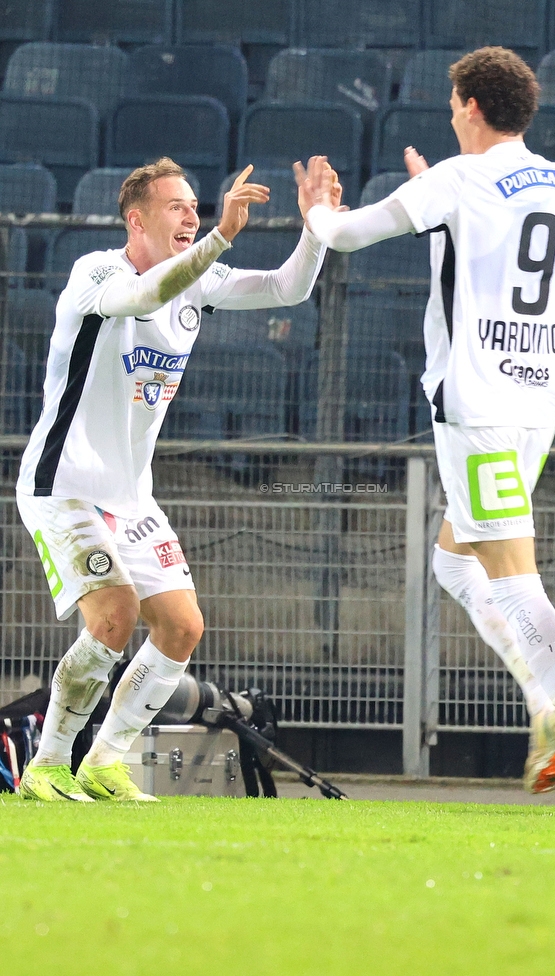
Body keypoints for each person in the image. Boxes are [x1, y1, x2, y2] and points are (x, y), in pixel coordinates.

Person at [296, 46, 555, 814]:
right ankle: (546, 706)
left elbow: (346, 236)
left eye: (455, 105)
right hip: (536, 398)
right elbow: (491, 251)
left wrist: (316, 208)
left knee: (515, 582)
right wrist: (437, 204)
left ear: (472, 107)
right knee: (456, 564)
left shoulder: (459, 179)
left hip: (477, 407)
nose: (452, 115)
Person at [17, 156, 338, 802]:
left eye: (195, 205)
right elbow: (145, 295)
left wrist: (315, 229)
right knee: (114, 615)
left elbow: (287, 290)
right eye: (176, 206)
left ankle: (106, 761)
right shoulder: (97, 273)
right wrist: (220, 235)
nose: (191, 214)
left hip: (131, 496)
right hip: (66, 485)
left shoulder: (197, 282)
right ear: (136, 220)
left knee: (183, 627)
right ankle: (46, 764)